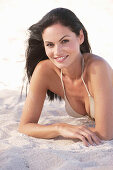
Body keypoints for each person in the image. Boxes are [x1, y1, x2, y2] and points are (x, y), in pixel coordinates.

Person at [19, 7, 113, 147]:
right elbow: (25, 126)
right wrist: (60, 128)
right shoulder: (44, 71)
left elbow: (106, 134)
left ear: (80, 37)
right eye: (50, 44)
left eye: (64, 41)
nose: (57, 52)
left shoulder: (97, 68)